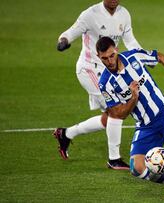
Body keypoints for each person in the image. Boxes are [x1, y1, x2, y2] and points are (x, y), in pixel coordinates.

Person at [96, 36, 164, 203]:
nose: (109, 61)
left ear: (116, 50)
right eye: (104, 58)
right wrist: (133, 97)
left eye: (111, 55)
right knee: (137, 169)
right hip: (144, 126)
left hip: (163, 112)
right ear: (99, 57)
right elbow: (119, 113)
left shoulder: (134, 57)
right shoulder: (105, 84)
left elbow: (159, 57)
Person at [53, 0, 142, 170]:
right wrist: (63, 41)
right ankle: (114, 159)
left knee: (109, 117)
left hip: (109, 71)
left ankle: (66, 134)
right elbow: (71, 32)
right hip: (90, 70)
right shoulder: (90, 14)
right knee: (117, 110)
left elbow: (130, 41)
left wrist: (142, 56)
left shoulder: (124, 14)